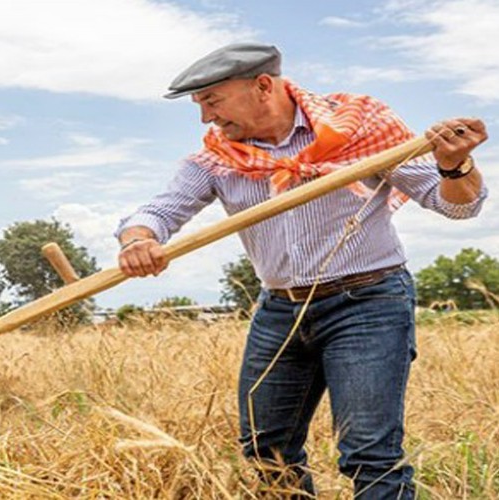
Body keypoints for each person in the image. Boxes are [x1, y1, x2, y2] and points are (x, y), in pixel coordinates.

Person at [115, 43, 488, 499]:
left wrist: (455, 165)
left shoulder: (359, 129)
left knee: (369, 451)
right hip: (280, 311)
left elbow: (456, 206)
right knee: (266, 448)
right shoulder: (218, 158)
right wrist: (138, 240)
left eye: (212, 101)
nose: (206, 118)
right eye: (200, 105)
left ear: (263, 86)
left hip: (368, 303)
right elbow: (160, 210)